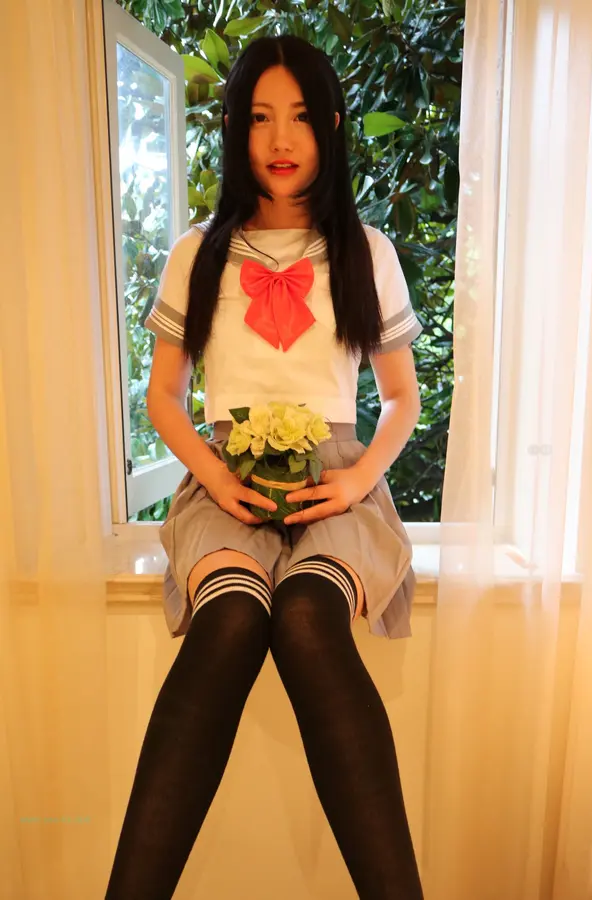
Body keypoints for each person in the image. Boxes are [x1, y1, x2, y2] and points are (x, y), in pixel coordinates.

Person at [105, 33, 424, 900]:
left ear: (330, 127)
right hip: (226, 478)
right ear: (235, 130)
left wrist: (357, 479)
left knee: (309, 618)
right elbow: (164, 397)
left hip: (336, 480)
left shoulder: (366, 250)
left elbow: (402, 398)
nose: (281, 140)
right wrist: (214, 476)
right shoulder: (197, 252)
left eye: (300, 117)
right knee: (233, 619)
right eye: (258, 118)